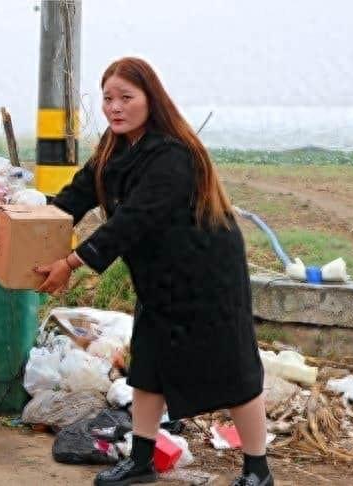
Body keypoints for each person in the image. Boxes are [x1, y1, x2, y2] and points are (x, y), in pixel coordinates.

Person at [35, 57, 271, 486]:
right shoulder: (114, 146)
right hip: (159, 276)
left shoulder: (173, 154)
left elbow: (131, 222)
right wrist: (33, 219)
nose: (115, 107)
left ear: (151, 100)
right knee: (149, 364)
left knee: (233, 368)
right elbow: (78, 193)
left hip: (206, 274)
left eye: (126, 97)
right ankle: (141, 460)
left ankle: (258, 470)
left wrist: (70, 262)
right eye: (108, 98)